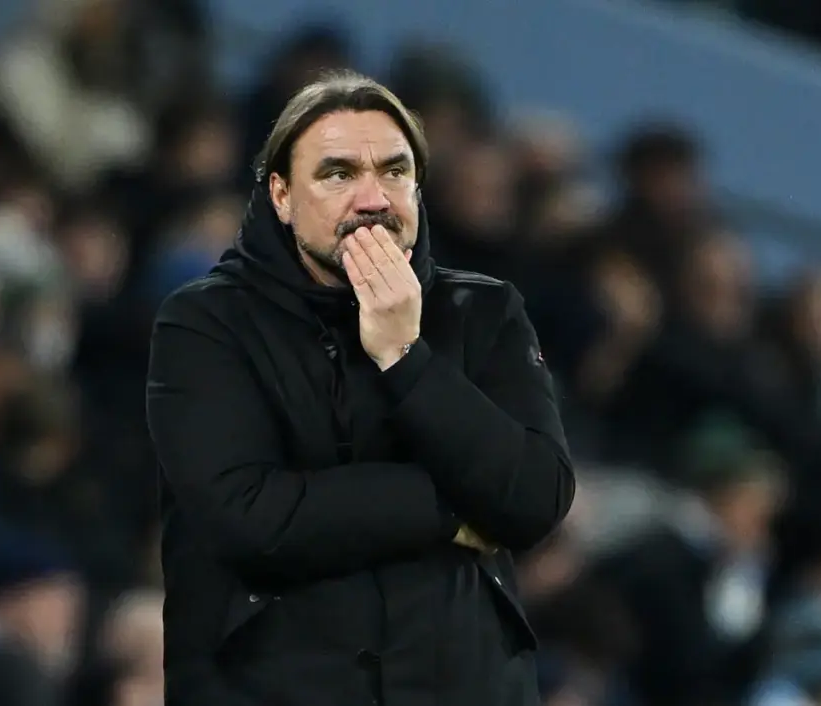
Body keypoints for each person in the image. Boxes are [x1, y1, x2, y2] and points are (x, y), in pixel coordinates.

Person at [146, 69, 575, 706]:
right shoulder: (206, 323)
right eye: (339, 173)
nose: (374, 199)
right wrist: (452, 511)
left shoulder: (484, 313)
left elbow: (536, 498)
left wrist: (405, 358)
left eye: (396, 172)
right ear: (282, 195)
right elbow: (251, 518)